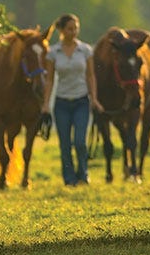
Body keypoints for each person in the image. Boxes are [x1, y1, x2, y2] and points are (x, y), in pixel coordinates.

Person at [41, 14, 104, 186]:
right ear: (61, 30)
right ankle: (69, 179)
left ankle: (83, 175)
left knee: (80, 142)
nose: (74, 32)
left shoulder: (85, 50)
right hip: (61, 103)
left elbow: (91, 76)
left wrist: (94, 99)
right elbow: (50, 80)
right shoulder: (53, 53)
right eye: (70, 28)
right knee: (65, 144)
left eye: (76, 28)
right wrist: (46, 104)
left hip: (81, 102)